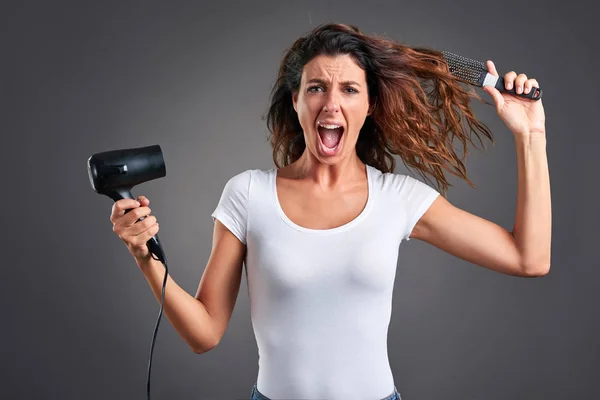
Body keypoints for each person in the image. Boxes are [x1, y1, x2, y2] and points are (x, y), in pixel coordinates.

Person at [109, 23, 551, 400]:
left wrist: (531, 134)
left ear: (370, 105)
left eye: (350, 89)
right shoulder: (248, 194)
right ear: (297, 101)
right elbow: (203, 335)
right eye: (316, 88)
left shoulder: (398, 198)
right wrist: (143, 253)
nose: (331, 104)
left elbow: (529, 258)